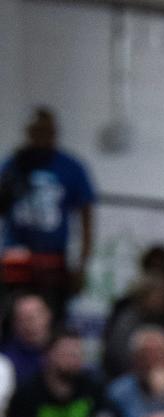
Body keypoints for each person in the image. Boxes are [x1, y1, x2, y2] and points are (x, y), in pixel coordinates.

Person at [0, 107, 96, 306]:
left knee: (50, 317)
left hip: (53, 259)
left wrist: (82, 265)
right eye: (36, 132)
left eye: (47, 132)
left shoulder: (71, 167)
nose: (41, 138)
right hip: (15, 258)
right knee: (13, 316)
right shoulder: (12, 165)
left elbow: (87, 219)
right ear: (28, 133)